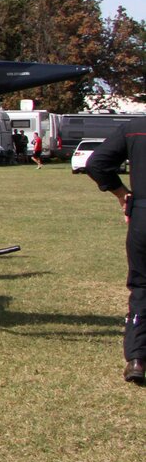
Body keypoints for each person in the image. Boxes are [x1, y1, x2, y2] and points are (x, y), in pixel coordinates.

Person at [85, 119, 146, 385]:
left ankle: (137, 359)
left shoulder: (134, 128)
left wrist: (121, 193)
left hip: (143, 216)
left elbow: (96, 163)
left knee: (142, 286)